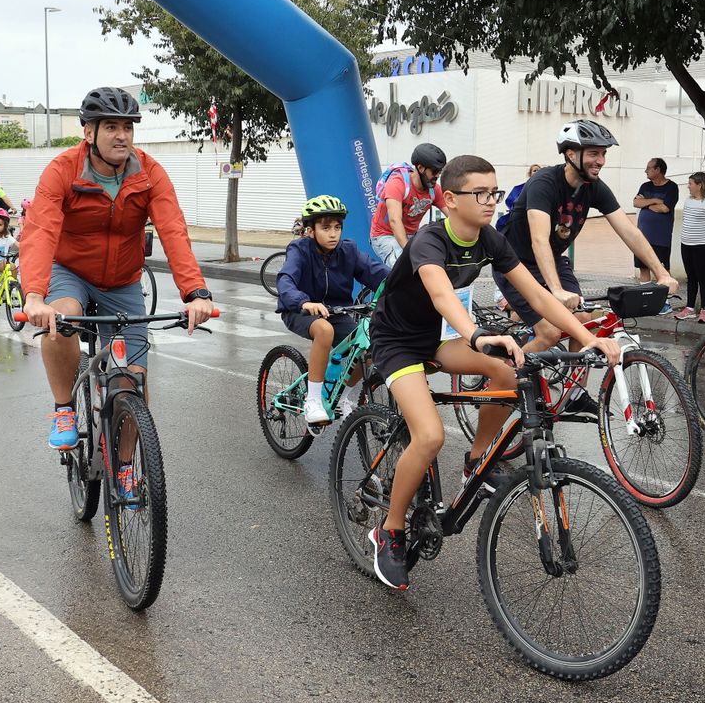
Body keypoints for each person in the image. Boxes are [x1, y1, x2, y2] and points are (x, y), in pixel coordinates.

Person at [366, 154, 621, 591]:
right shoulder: (429, 241)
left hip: (438, 338)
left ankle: (475, 462)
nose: (490, 202)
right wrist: (477, 335)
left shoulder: (488, 238)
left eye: (494, 192)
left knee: (506, 374)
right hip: (397, 341)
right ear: (449, 200)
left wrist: (589, 336)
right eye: (480, 194)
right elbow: (442, 295)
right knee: (429, 436)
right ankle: (388, 530)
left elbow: (538, 296)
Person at [20, 86, 215, 460]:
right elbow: (41, 231)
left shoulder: (149, 172)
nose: (122, 135)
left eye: (128, 126)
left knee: (132, 383)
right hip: (71, 271)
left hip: (124, 279)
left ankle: (124, 466)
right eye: (111, 126)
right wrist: (33, 296)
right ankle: (63, 410)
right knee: (61, 320)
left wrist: (196, 293)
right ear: (88, 132)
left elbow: (173, 230)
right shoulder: (62, 170)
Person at [496, 120, 679, 353]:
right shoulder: (544, 183)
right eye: (594, 153)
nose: (601, 160)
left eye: (603, 154)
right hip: (515, 264)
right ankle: (506, 376)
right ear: (571, 154)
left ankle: (574, 388)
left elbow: (629, 231)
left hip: (552, 260)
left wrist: (661, 273)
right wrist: (556, 290)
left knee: (585, 322)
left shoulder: (593, 187)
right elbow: (539, 239)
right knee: (550, 334)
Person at [275, 195, 390, 425]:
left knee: (368, 344)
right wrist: (303, 302)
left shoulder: (348, 251)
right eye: (325, 227)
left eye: (337, 227)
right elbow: (285, 280)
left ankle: (340, 397)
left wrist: (408, 282)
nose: (333, 233)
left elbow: (378, 273)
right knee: (324, 331)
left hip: (336, 312)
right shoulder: (299, 250)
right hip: (300, 310)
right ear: (310, 230)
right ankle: (314, 400)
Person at [367, 143, 447, 266]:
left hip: (412, 236)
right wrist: (409, 250)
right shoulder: (398, 184)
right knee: (404, 267)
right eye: (435, 171)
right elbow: (395, 220)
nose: (437, 175)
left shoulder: (433, 190)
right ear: (420, 168)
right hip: (385, 235)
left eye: (439, 172)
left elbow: (452, 214)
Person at [672, 171, 705, 323]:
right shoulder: (688, 200)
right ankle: (689, 308)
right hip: (686, 244)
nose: (688, 187)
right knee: (691, 277)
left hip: (703, 245)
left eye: (690, 184)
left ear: (699, 185)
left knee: (702, 277)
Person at [632, 157, 679, 313]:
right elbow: (636, 203)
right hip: (642, 237)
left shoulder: (672, 187)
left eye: (649, 168)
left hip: (661, 237)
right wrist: (654, 201)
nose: (646, 171)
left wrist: (646, 203)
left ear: (658, 169)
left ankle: (664, 303)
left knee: (662, 269)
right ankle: (645, 301)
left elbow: (665, 209)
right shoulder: (645, 186)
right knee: (643, 268)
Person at [496, 163, 543, 233]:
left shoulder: (544, 189)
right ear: (530, 174)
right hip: (521, 220)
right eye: (535, 170)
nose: (537, 172)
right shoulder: (520, 188)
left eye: (539, 170)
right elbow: (510, 201)